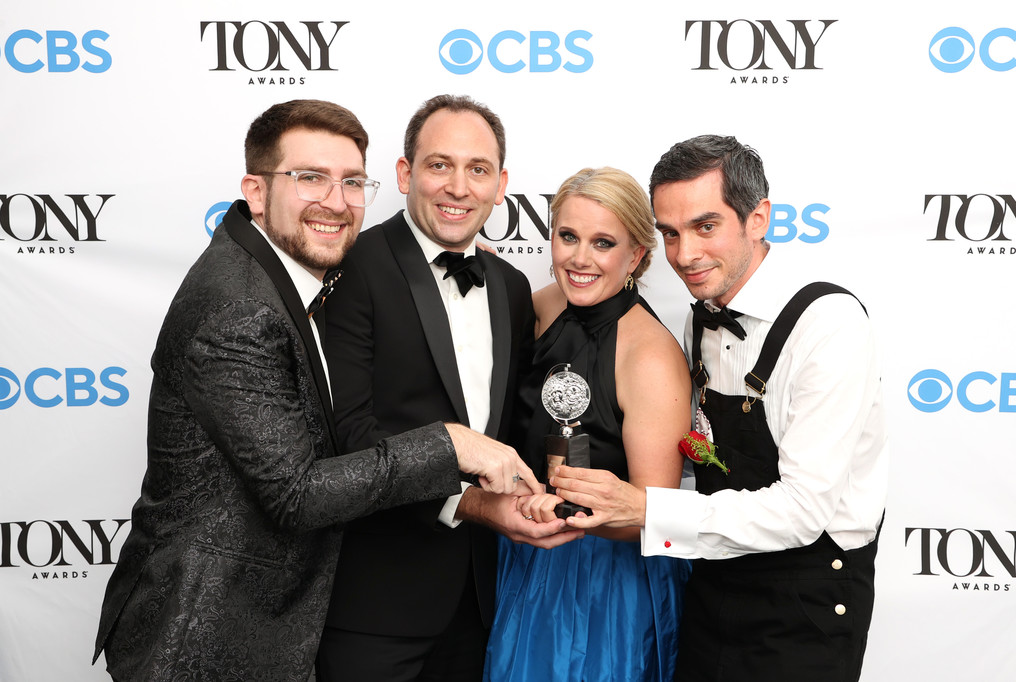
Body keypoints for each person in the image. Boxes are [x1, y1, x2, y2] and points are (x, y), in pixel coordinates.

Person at [92, 99, 541, 682]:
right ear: (256, 190)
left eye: (351, 182)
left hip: (439, 603)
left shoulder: (291, 270)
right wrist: (452, 445)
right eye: (309, 178)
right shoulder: (239, 306)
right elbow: (299, 492)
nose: (334, 200)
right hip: (209, 623)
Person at [551, 135, 889, 682]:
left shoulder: (829, 324)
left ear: (758, 219)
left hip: (805, 601)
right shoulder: (699, 318)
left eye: (705, 227)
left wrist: (647, 511)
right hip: (712, 583)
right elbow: (705, 456)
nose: (684, 255)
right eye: (670, 233)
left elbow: (804, 510)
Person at [316, 95, 579, 682]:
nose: (458, 187)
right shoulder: (350, 267)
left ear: (500, 184)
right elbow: (347, 435)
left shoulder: (511, 287)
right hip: (374, 603)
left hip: (480, 602)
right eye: (439, 165)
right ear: (406, 174)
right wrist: (476, 504)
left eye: (478, 169)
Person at [484, 167, 692, 681]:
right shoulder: (547, 304)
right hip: (520, 548)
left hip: (602, 582)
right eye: (568, 236)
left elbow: (651, 513)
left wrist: (563, 513)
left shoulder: (650, 356)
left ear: (636, 257)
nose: (579, 259)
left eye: (603, 243)